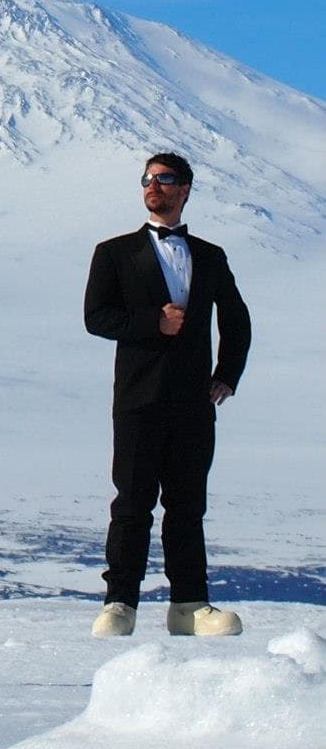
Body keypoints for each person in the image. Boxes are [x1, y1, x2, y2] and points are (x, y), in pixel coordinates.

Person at [83, 152, 251, 637]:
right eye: (147, 180)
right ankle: (120, 603)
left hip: (193, 400)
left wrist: (227, 376)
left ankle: (190, 604)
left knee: (187, 504)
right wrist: (151, 323)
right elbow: (97, 318)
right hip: (138, 398)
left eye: (164, 179)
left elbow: (236, 320)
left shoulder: (211, 255)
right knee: (132, 503)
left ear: (185, 189)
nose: (153, 186)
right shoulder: (114, 252)